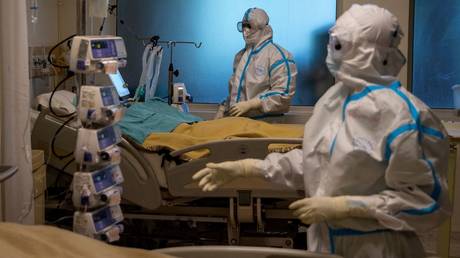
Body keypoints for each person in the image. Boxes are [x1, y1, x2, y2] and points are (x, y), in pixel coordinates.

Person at [193, 4, 451, 257]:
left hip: (378, 248)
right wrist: (251, 168)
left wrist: (347, 207)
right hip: (324, 242)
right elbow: (316, 161)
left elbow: (426, 202)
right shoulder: (334, 101)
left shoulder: (404, 115)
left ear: (368, 51)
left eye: (339, 45)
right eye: (333, 43)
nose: (331, 52)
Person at [224, 7, 297, 118]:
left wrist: (251, 104)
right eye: (243, 26)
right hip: (238, 122)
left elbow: (283, 94)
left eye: (249, 26)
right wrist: (223, 110)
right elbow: (235, 92)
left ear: (263, 28)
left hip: (266, 124)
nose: (245, 31)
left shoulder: (279, 56)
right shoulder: (240, 57)